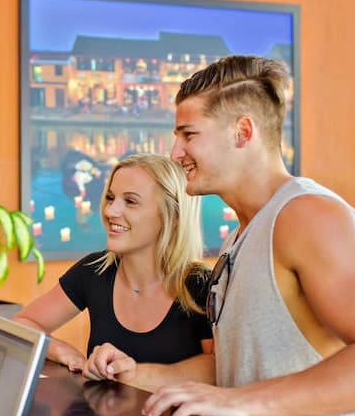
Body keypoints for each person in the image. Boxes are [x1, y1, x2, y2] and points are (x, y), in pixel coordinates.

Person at [142, 55, 355, 416]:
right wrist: (134, 374)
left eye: (189, 135)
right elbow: (241, 370)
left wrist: (241, 401)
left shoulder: (310, 216)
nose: (175, 152)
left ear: (242, 132)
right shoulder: (240, 238)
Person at [13, 153, 214, 392]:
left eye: (130, 201)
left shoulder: (201, 284)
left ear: (174, 216)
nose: (110, 211)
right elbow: (23, 324)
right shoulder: (94, 270)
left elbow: (216, 367)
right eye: (110, 198)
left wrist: (133, 375)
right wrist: (64, 352)